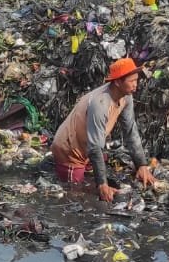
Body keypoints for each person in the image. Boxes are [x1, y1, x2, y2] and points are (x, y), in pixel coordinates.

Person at [50, 57, 156, 201]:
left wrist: (142, 165)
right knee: (75, 194)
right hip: (69, 149)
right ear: (118, 82)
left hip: (87, 146)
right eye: (131, 81)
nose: (135, 85)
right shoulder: (100, 103)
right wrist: (102, 184)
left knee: (97, 180)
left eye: (136, 80)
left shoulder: (126, 97)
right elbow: (94, 147)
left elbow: (130, 131)